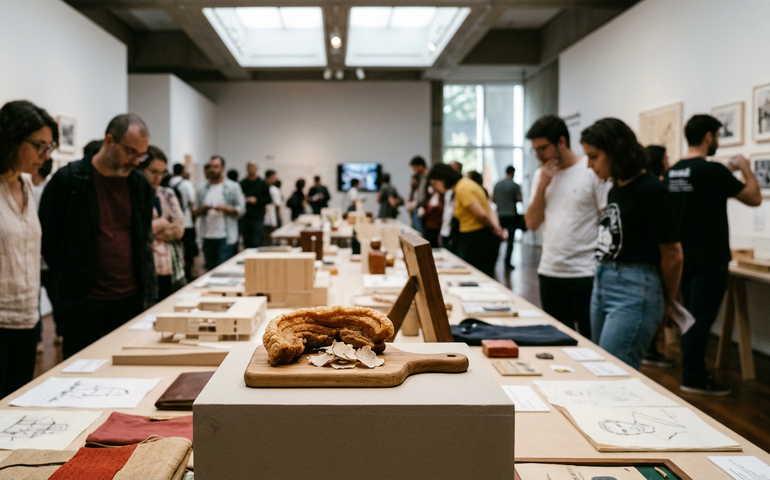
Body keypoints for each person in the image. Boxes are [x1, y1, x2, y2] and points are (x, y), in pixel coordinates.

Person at [40, 113, 156, 360]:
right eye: (130, 152)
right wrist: (67, 281)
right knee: (83, 373)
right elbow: (49, 240)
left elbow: (142, 236)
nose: (136, 161)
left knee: (129, 372)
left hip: (130, 300)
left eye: (141, 155)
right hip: (83, 304)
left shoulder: (138, 184)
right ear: (109, 141)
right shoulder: (70, 180)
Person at [665, 114, 762, 395]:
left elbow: (702, 190)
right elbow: (754, 198)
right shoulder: (712, 170)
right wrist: (745, 169)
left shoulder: (674, 171)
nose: (717, 140)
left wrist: (727, 171)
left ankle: (692, 370)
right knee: (701, 318)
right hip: (710, 258)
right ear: (709, 136)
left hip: (684, 257)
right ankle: (693, 376)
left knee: (690, 317)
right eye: (717, 135)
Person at [582, 117, 683, 370]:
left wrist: (667, 303)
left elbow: (673, 254)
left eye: (593, 156)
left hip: (634, 290)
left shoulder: (650, 190)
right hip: (604, 282)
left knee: (613, 375)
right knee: (600, 368)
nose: (589, 164)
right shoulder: (617, 188)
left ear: (615, 151)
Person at [524, 115, 611, 339]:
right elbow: (531, 224)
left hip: (585, 272)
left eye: (543, 148)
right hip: (550, 271)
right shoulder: (540, 175)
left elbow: (606, 221)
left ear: (561, 142)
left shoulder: (590, 170)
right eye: (535, 150)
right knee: (556, 341)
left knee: (590, 340)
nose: (538, 155)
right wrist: (543, 184)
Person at [0, 100, 58, 396]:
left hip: (26, 318)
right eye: (39, 146)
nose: (45, 155)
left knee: (12, 412)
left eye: (49, 147)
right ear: (12, 137)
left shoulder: (25, 186)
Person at [428, 163, 504, 277]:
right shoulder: (463, 185)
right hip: (473, 236)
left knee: (476, 276)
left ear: (443, 179)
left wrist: (495, 229)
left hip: (476, 238)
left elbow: (481, 214)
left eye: (435, 184)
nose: (435, 188)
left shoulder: (463, 188)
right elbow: (488, 208)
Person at [140, 147, 185, 301]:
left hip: (170, 263)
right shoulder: (134, 195)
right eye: (153, 172)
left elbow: (179, 228)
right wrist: (164, 222)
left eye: (162, 173)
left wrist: (153, 230)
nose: (158, 177)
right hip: (145, 265)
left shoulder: (167, 194)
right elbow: (139, 232)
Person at [194, 155, 245, 270]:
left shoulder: (233, 187)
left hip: (225, 236)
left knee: (223, 269)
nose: (213, 170)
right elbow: (195, 211)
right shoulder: (202, 188)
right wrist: (203, 209)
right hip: (207, 235)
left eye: (216, 167)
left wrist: (225, 209)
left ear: (222, 168)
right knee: (210, 270)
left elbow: (241, 210)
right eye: (211, 167)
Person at [169, 163, 198, 282]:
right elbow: (192, 202)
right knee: (188, 250)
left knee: (175, 250)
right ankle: (188, 274)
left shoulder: (169, 182)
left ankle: (176, 273)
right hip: (186, 221)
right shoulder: (186, 184)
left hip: (171, 222)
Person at [492, 166, 523, 269]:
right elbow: (519, 199)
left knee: (497, 239)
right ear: (513, 173)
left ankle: (494, 261)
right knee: (510, 240)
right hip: (511, 215)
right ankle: (507, 262)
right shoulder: (515, 185)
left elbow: (493, 199)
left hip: (499, 215)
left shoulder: (497, 184)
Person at [240, 162, 272, 248]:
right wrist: (246, 200)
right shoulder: (242, 183)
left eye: (253, 167)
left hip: (258, 215)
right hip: (246, 216)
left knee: (257, 239)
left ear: (256, 168)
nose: (251, 169)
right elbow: (239, 198)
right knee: (247, 240)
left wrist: (257, 200)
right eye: (249, 167)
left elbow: (268, 199)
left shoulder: (262, 183)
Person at [439, 161, 462, 251]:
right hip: (445, 228)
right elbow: (446, 211)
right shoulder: (448, 189)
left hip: (455, 230)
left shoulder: (460, 186)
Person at [408, 156, 428, 233]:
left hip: (424, 208)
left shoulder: (428, 176)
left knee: (420, 232)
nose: (414, 170)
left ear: (420, 166)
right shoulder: (421, 177)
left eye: (414, 167)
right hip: (418, 207)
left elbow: (425, 195)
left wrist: (419, 205)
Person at [263, 170, 282, 244]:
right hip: (267, 216)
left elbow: (277, 205)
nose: (275, 179)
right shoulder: (266, 188)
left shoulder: (274, 189)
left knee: (270, 237)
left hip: (272, 216)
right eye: (274, 177)